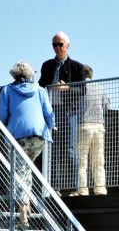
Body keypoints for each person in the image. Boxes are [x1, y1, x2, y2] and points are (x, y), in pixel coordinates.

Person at [0, 60, 55, 227]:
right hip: (39, 136)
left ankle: (23, 212)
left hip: (18, 136)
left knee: (19, 172)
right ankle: (26, 205)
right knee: (26, 169)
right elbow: (49, 113)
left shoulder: (7, 90)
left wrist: (4, 127)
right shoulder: (40, 90)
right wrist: (52, 126)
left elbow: (1, 115)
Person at [38, 31, 88, 195]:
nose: (57, 47)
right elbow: (41, 86)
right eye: (54, 44)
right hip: (50, 111)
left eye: (60, 44)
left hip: (68, 112)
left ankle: (74, 188)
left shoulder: (77, 67)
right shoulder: (47, 65)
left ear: (67, 45)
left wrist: (67, 87)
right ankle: (55, 187)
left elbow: (82, 90)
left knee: (70, 149)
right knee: (53, 149)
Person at [74, 65, 109, 196]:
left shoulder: (78, 88)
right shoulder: (100, 88)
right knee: (99, 161)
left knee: (81, 161)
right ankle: (100, 189)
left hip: (83, 125)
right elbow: (106, 105)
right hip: (99, 126)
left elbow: (74, 106)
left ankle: (83, 190)